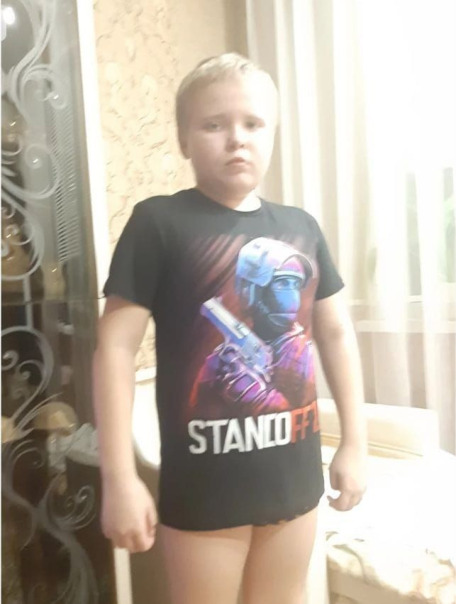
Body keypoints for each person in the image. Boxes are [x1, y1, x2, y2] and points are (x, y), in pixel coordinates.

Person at [93, 53, 367, 604]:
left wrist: (355, 444)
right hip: (205, 485)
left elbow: (336, 334)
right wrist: (118, 478)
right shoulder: (158, 222)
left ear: (273, 135)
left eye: (253, 123)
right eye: (213, 124)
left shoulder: (301, 227)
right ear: (183, 140)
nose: (236, 139)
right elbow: (114, 350)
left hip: (293, 475)